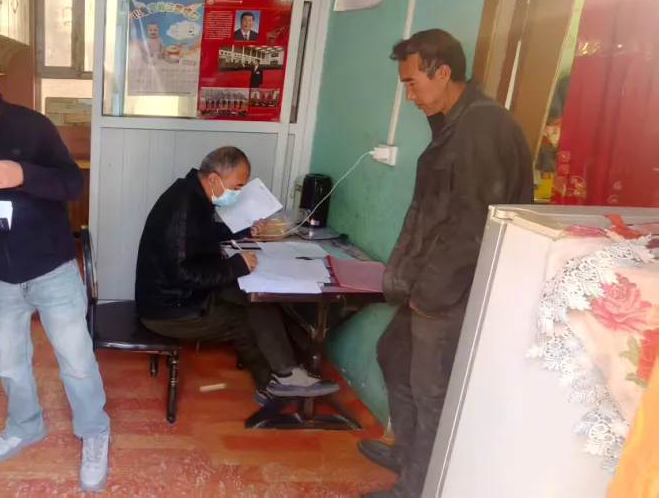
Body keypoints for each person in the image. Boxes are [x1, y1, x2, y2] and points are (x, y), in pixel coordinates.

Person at [359, 30, 532, 498]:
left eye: (412, 83)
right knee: (394, 355)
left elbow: (474, 225)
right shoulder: (454, 122)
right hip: (428, 284)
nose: (410, 95)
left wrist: (430, 295)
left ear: (443, 72)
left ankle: (418, 487)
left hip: (451, 290)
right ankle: (408, 452)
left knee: (431, 392)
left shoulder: (483, 127)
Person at [0, 43, 110, 491]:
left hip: (51, 268)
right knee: (10, 364)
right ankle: (26, 425)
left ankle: (94, 431)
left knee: (76, 360)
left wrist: (23, 174)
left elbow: (71, 182)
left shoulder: (32, 127)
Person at [135, 146, 340, 403]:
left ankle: (287, 374)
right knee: (243, 323)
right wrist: (235, 267)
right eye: (237, 187)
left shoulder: (192, 194)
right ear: (214, 178)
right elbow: (181, 275)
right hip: (169, 309)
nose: (239, 193)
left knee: (256, 299)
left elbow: (203, 234)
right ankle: (272, 386)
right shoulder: (182, 210)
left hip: (185, 294)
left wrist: (243, 232)